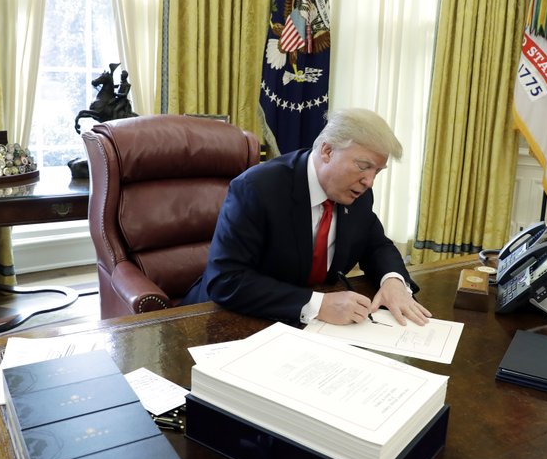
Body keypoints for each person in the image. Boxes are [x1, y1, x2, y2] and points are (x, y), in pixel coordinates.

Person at [182, 108, 431, 327]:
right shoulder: (257, 189)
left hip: (305, 327)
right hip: (220, 320)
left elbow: (376, 245)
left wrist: (394, 282)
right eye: (363, 166)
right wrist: (317, 305)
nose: (369, 181)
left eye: (377, 171)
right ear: (327, 151)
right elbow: (225, 280)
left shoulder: (359, 194)